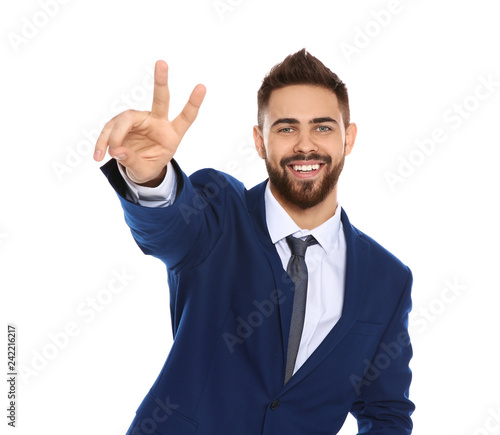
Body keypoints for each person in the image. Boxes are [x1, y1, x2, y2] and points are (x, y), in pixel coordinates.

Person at [94, 49, 415, 434]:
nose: (305, 145)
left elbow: (386, 413)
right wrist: (151, 177)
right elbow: (168, 231)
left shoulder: (387, 279)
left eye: (323, 127)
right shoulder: (219, 211)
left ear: (349, 139)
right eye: (286, 128)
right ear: (260, 142)